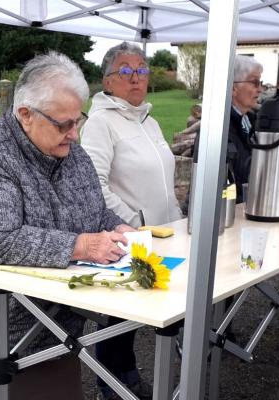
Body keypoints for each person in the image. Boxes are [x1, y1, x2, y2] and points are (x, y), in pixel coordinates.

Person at [0, 51, 134, 400]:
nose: (74, 134)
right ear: (25, 115)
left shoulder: (69, 150)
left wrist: (118, 227)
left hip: (54, 321)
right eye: (64, 124)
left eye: (77, 120)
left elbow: (93, 211)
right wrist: (80, 245)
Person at [81, 41, 182, 400]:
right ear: (107, 82)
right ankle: (113, 385)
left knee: (163, 306)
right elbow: (94, 184)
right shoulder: (100, 123)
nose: (135, 78)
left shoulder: (149, 120)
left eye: (141, 70)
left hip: (168, 232)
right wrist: (134, 224)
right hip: (132, 236)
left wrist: (175, 216)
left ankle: (148, 372)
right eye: (125, 71)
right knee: (120, 318)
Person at [229, 54, 263, 203]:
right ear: (234, 88)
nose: (260, 89)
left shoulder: (250, 120)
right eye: (254, 82)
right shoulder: (220, 128)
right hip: (227, 211)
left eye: (260, 82)